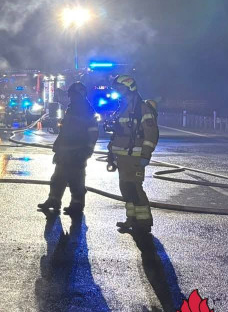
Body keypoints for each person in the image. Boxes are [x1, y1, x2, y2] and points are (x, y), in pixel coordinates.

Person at [108, 74, 159, 234]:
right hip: (122, 157)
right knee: (126, 188)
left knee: (135, 189)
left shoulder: (142, 108)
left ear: (129, 88)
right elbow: (120, 134)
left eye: (120, 89)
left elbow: (151, 133)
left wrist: (145, 154)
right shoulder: (123, 107)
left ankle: (144, 222)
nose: (118, 92)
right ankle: (131, 219)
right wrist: (111, 154)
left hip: (135, 157)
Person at [37, 82, 98, 215]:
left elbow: (93, 132)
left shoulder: (86, 110)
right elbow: (66, 131)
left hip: (77, 152)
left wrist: (87, 150)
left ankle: (77, 205)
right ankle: (54, 200)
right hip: (65, 151)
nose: (70, 98)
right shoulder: (72, 108)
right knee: (57, 178)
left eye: (73, 95)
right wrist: (58, 147)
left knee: (76, 180)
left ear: (79, 95)